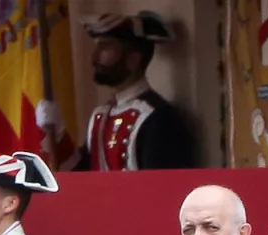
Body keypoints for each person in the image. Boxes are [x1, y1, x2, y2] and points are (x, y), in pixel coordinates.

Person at [71, 12, 195, 171]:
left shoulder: (158, 118)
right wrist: (58, 134)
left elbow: (164, 186)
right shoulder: (100, 116)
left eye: (105, 47)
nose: (94, 58)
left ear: (133, 59)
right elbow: (81, 174)